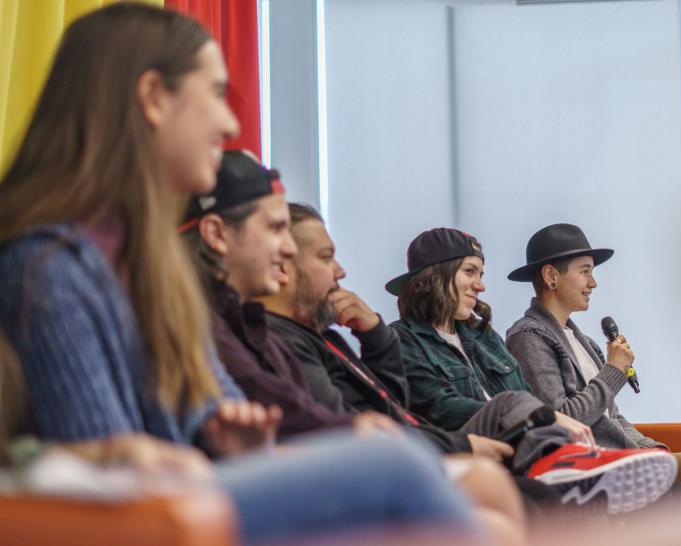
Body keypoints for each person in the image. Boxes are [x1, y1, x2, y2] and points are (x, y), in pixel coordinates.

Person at [0, 5, 479, 543]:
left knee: (465, 501)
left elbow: (211, 413)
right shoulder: (48, 268)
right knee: (400, 468)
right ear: (155, 98)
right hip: (149, 517)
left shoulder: (147, 266)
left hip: (187, 500)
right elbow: (108, 489)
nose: (229, 123)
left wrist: (233, 444)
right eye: (216, 94)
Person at [180, 153, 527, 541]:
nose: (287, 250)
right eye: (274, 230)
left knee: (496, 481)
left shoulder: (270, 326)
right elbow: (309, 420)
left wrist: (375, 338)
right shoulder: (216, 323)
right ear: (216, 235)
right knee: (426, 462)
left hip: (259, 469)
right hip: (204, 490)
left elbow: (379, 408)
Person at [388, 227, 679, 515]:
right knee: (512, 404)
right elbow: (440, 408)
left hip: (518, 439)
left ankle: (569, 465)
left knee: (579, 490)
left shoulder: (482, 334)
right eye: (469, 272)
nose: (481, 286)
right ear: (436, 275)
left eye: (481, 274)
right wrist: (534, 415)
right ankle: (563, 460)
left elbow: (533, 396)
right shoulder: (401, 339)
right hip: (465, 445)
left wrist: (644, 445)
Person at [505, 223, 681, 504]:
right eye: (585, 271)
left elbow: (612, 416)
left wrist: (651, 448)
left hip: (629, 454)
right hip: (597, 464)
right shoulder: (529, 337)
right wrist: (614, 371)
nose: (593, 283)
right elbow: (562, 419)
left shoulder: (583, 341)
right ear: (551, 276)